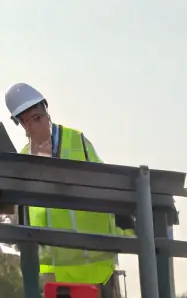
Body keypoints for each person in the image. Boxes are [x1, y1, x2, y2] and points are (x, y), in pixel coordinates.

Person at [5, 81, 128, 285]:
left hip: (96, 270)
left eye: (37, 118)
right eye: (26, 122)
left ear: (46, 111)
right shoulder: (23, 160)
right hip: (52, 275)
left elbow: (109, 188)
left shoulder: (77, 141)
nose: (33, 126)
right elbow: (20, 214)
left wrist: (129, 224)